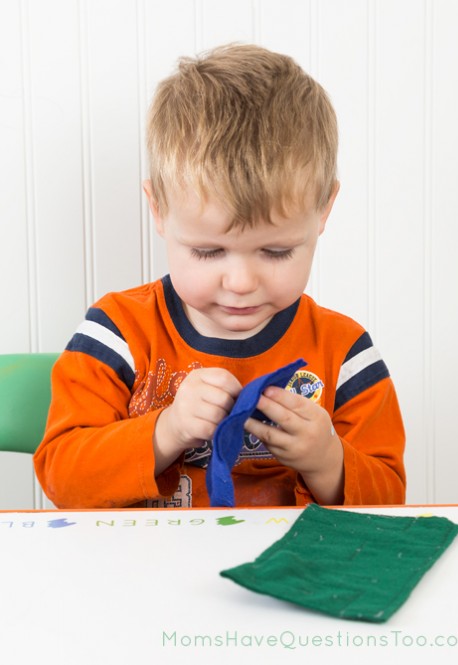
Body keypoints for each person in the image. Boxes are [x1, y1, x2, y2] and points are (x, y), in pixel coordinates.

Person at [34, 44, 405, 509]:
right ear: (159, 211)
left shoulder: (344, 355)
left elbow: (390, 500)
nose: (241, 282)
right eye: (208, 251)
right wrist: (165, 431)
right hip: (140, 574)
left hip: (284, 578)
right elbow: (63, 479)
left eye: (276, 250)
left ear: (324, 210)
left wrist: (328, 460)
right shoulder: (118, 334)